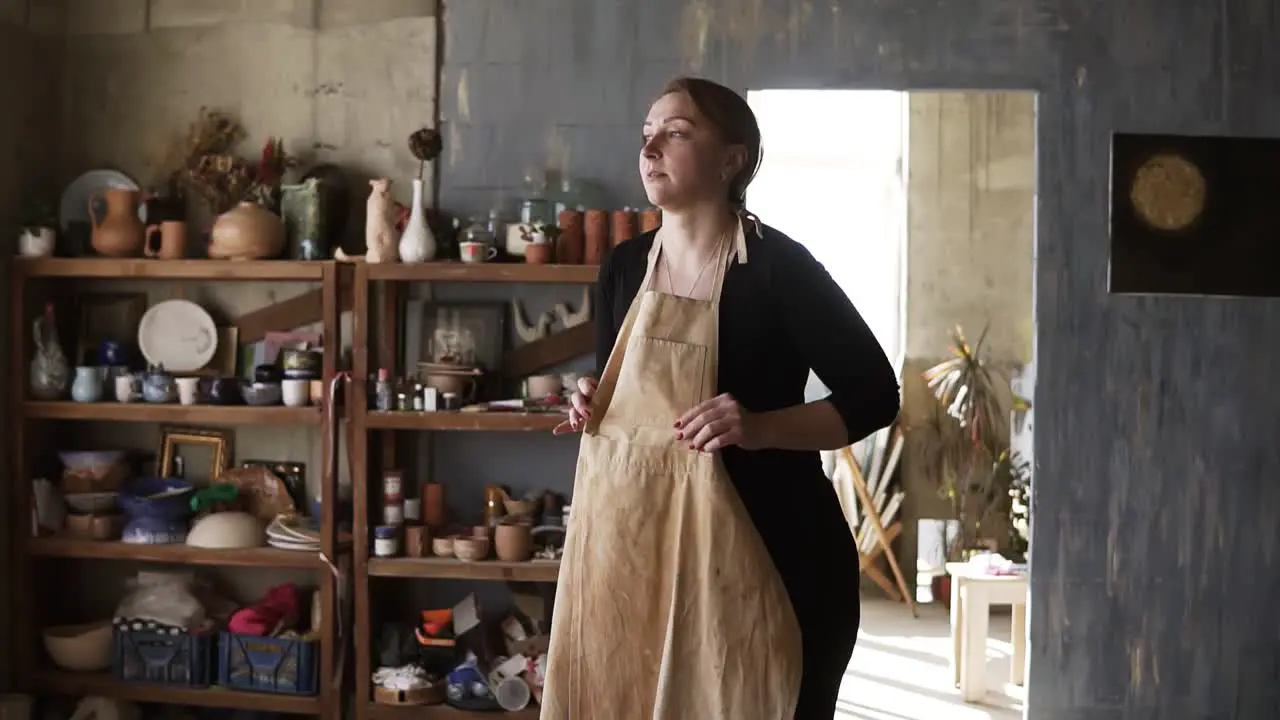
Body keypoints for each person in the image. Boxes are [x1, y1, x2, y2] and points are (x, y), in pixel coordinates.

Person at [547, 76, 901, 718]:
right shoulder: (624, 266)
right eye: (647, 135)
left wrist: (760, 427)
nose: (651, 148)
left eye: (676, 133)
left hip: (778, 552)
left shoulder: (779, 268)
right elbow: (620, 390)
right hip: (646, 556)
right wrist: (590, 400)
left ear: (733, 159)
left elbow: (876, 395)